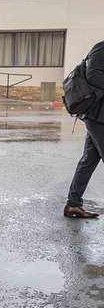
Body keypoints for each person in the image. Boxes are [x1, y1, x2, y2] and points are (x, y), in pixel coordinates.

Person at [64, 40, 104, 219]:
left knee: (88, 160)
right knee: (88, 160)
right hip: (97, 115)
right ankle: (73, 203)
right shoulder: (101, 47)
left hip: (99, 116)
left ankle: (73, 204)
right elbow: (92, 74)